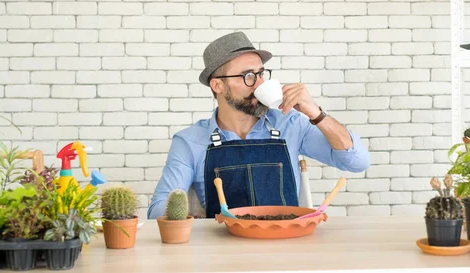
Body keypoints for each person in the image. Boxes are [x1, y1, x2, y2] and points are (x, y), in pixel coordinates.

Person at [147, 31, 370, 219]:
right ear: (218, 85)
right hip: (224, 255)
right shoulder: (190, 141)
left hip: (286, 247)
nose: (260, 84)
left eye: (261, 74)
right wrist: (193, 224)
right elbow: (158, 208)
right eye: (248, 76)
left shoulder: (290, 124)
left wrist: (316, 113)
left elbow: (358, 161)